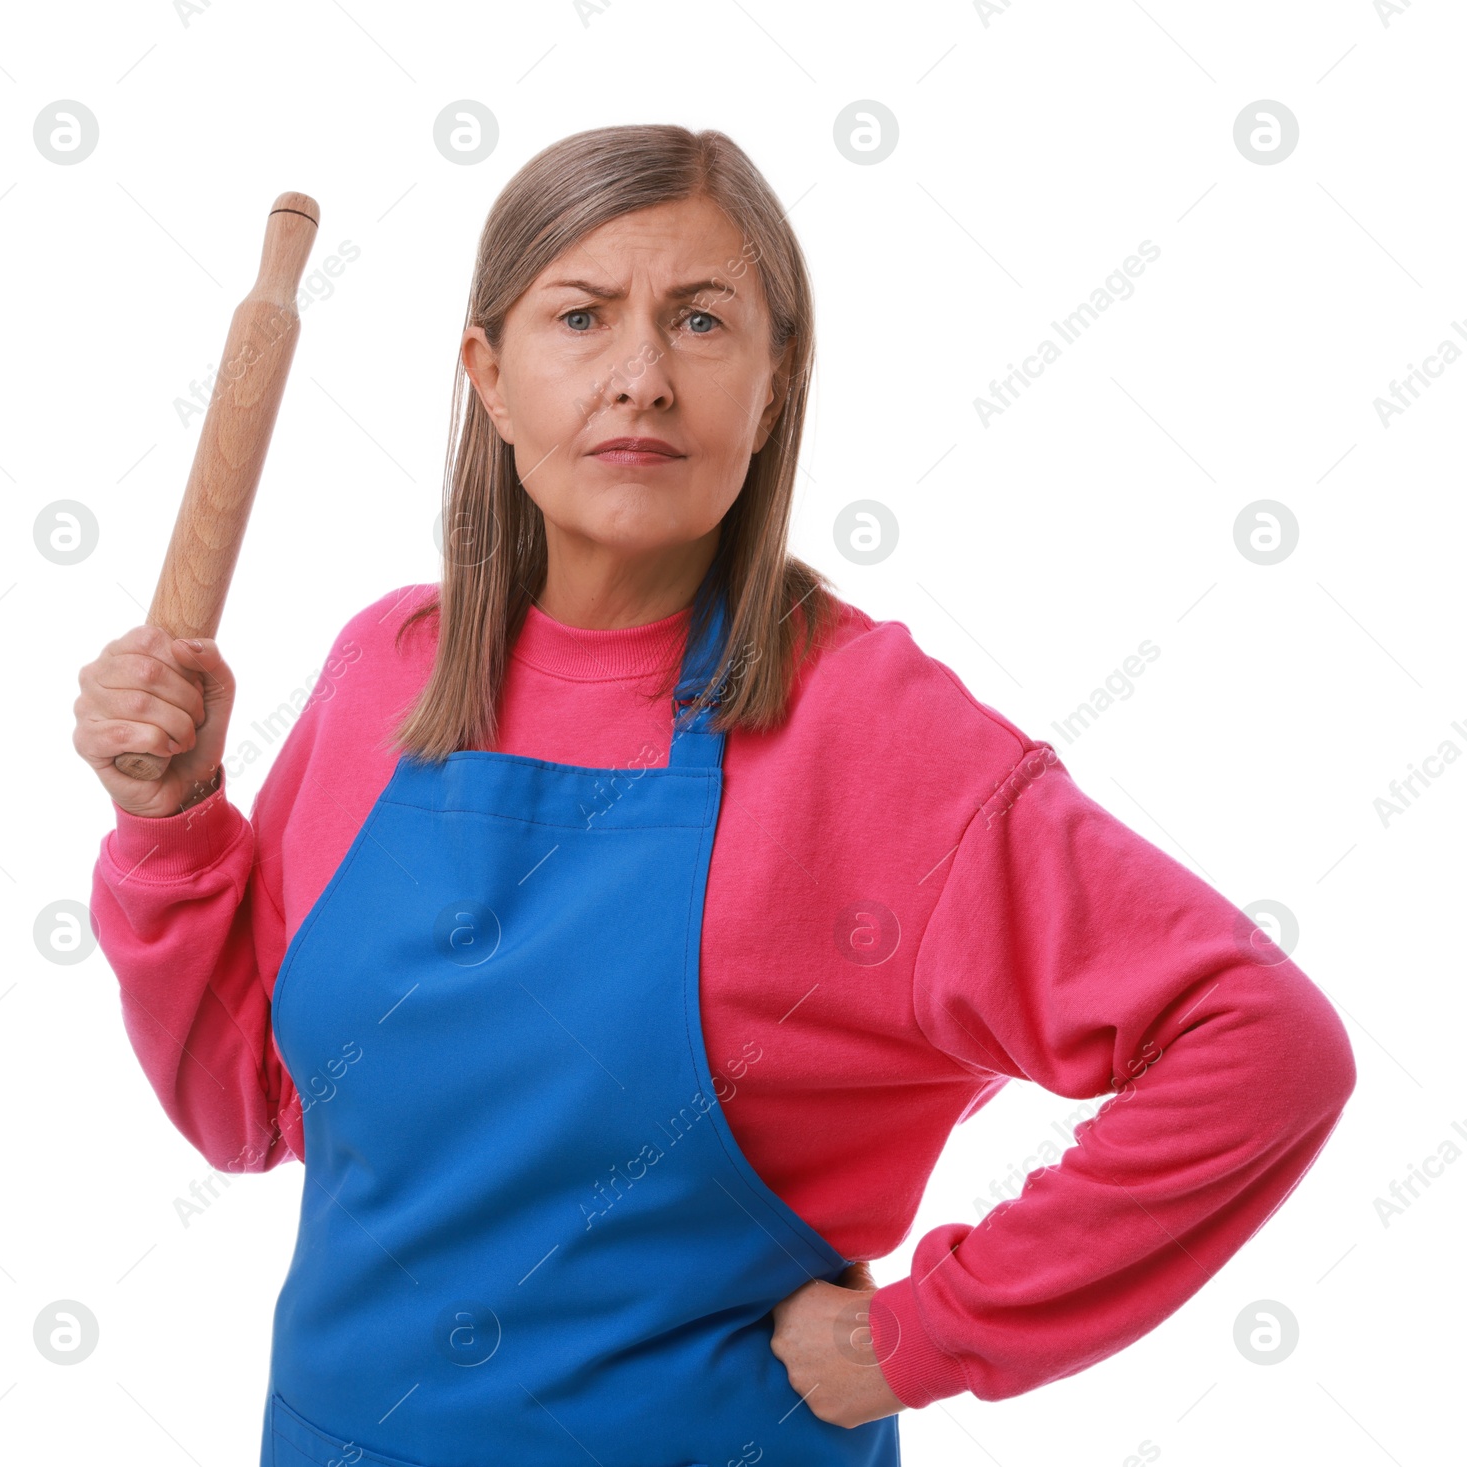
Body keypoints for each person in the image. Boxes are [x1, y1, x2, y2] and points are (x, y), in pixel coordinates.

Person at [76, 124, 1357, 1466]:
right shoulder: (382, 673)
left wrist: (931, 1333)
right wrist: (169, 820)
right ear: (489, 375)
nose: (640, 379)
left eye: (699, 321)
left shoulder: (869, 732)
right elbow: (251, 1111)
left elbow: (1261, 1044)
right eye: (580, 317)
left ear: (773, 382)